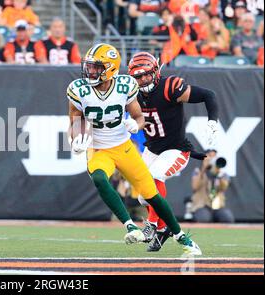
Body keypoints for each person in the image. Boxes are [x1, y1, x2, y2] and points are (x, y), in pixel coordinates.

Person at [67, 43, 201, 255]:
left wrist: (135, 125)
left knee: (151, 194)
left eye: (96, 67)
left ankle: (180, 235)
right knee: (100, 178)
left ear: (110, 68)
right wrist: (75, 139)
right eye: (90, 66)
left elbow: (139, 117)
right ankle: (130, 225)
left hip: (123, 147)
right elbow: (75, 120)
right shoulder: (78, 89)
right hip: (99, 149)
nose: (90, 71)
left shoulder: (125, 86)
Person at [127, 51, 219, 252]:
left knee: (155, 176)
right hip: (152, 149)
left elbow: (208, 95)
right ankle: (163, 227)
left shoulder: (170, 87)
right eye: (138, 76)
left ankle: (151, 226)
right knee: (143, 196)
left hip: (176, 149)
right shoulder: (130, 94)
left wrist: (212, 120)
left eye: (146, 74)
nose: (142, 80)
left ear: (156, 72)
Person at [190, 149, 235, 223]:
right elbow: (195, 187)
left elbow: (224, 188)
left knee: (227, 218)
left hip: (218, 206)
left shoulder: (222, 173)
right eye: (210, 156)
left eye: (214, 157)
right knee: (203, 218)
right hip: (202, 205)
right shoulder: (198, 171)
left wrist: (218, 173)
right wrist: (204, 169)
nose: (212, 159)